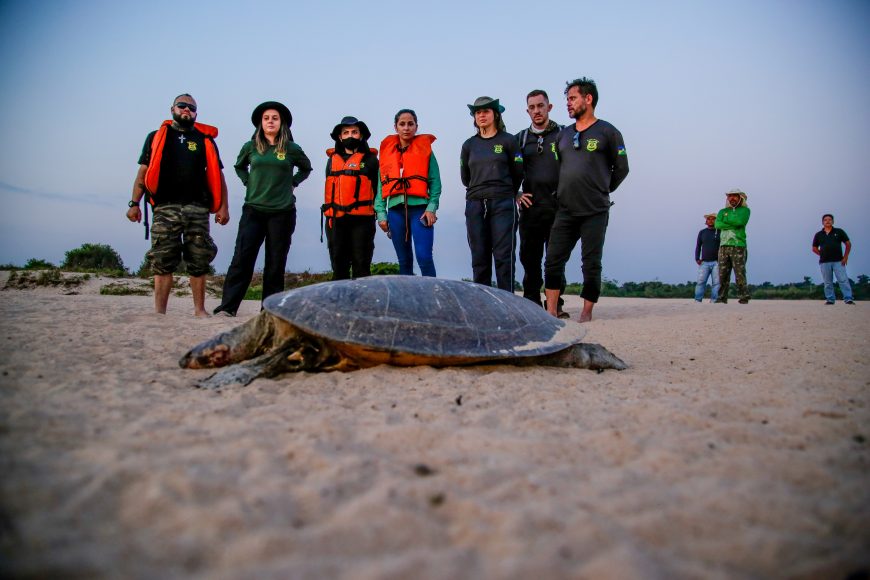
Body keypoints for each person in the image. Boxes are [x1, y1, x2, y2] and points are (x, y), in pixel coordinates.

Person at [127, 93, 229, 317]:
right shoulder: (156, 137)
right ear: (172, 109)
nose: (187, 110)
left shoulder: (204, 139)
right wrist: (134, 203)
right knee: (162, 259)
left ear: (196, 113)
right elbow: (143, 172)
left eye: (191, 108)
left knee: (199, 260)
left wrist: (224, 207)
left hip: (198, 208)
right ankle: (160, 312)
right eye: (182, 105)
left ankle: (199, 310)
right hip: (165, 207)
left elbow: (219, 175)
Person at [213, 101, 312, 316]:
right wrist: (247, 181)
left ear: (282, 123)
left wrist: (293, 182)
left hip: (282, 212)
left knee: (275, 263)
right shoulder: (250, 147)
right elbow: (239, 166)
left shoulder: (292, 149)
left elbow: (306, 168)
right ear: (260, 123)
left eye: (275, 118)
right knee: (242, 259)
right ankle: (228, 307)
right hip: (253, 210)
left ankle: (269, 310)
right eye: (266, 118)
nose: (270, 121)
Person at [543, 78, 629, 322]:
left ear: (588, 99)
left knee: (591, 263)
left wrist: (602, 189)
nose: (568, 104)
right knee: (553, 260)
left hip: (595, 210)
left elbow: (622, 168)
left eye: (572, 98)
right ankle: (551, 311)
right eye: (567, 99)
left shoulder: (608, 132)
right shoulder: (563, 135)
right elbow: (560, 168)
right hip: (565, 209)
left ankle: (586, 312)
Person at [461, 96, 524, 291]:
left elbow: (518, 173)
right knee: (479, 257)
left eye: (486, 111)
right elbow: (465, 177)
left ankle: (507, 302)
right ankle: (482, 303)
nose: (482, 115)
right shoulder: (469, 145)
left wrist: (508, 192)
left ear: (495, 114)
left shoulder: (508, 141)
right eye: (478, 112)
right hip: (475, 203)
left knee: (504, 256)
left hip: (502, 202)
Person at [515, 89, 567, 315]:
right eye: (532, 107)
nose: (536, 111)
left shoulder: (564, 134)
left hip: (559, 208)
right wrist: (516, 193)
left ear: (549, 107)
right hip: (530, 209)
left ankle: (556, 305)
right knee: (529, 259)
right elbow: (507, 170)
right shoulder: (520, 139)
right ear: (527, 111)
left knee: (556, 259)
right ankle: (531, 303)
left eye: (540, 106)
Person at [375, 109, 441, 276]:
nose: (406, 128)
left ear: (416, 126)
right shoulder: (386, 153)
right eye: (402, 124)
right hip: (395, 212)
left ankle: (432, 292)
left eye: (410, 124)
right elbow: (381, 186)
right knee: (404, 261)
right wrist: (381, 214)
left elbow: (435, 183)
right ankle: (407, 294)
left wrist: (431, 208)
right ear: (396, 127)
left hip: (420, 211)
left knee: (424, 257)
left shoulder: (426, 151)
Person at [322, 116, 379, 280]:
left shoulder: (371, 160)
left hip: (362, 220)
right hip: (336, 219)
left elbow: (378, 189)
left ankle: (362, 296)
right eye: (346, 132)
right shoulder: (332, 160)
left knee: (361, 264)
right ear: (340, 137)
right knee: (338, 264)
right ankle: (339, 296)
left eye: (354, 132)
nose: (350, 136)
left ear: (361, 136)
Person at [714, 188, 751, 304]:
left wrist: (725, 223)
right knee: (722, 273)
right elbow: (717, 224)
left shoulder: (745, 210)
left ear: (740, 197)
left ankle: (744, 296)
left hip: (738, 245)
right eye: (730, 196)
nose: (732, 198)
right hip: (723, 245)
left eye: (734, 196)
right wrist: (732, 224)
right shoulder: (722, 211)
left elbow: (740, 222)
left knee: (739, 272)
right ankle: (721, 297)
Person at [812, 214, 855, 305]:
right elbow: (814, 248)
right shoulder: (818, 234)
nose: (828, 221)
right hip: (824, 262)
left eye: (830, 219)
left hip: (838, 261)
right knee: (827, 282)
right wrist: (821, 254)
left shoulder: (839, 232)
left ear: (833, 221)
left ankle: (848, 298)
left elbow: (848, 244)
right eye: (825, 220)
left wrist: (845, 257)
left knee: (843, 280)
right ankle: (830, 299)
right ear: (822, 222)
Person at [694, 213, 721, 302]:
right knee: (700, 282)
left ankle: (714, 301)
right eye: (708, 219)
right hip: (704, 262)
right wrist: (697, 258)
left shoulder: (720, 232)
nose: (710, 221)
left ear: (716, 221)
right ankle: (697, 300)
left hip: (717, 262)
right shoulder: (702, 232)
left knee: (716, 283)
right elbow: (698, 246)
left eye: (713, 219)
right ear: (706, 221)